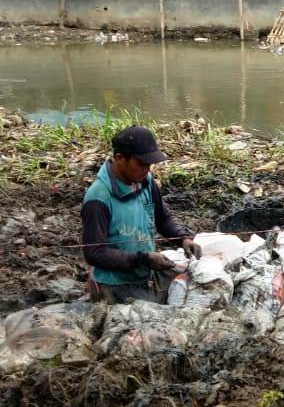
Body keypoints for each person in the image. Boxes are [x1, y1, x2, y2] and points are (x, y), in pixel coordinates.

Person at [81, 126, 203, 304]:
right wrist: (144, 259)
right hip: (117, 285)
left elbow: (163, 218)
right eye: (141, 163)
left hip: (146, 271)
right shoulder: (98, 198)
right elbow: (94, 253)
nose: (147, 169)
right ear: (120, 158)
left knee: (197, 282)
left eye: (149, 164)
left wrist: (183, 239)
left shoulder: (145, 182)